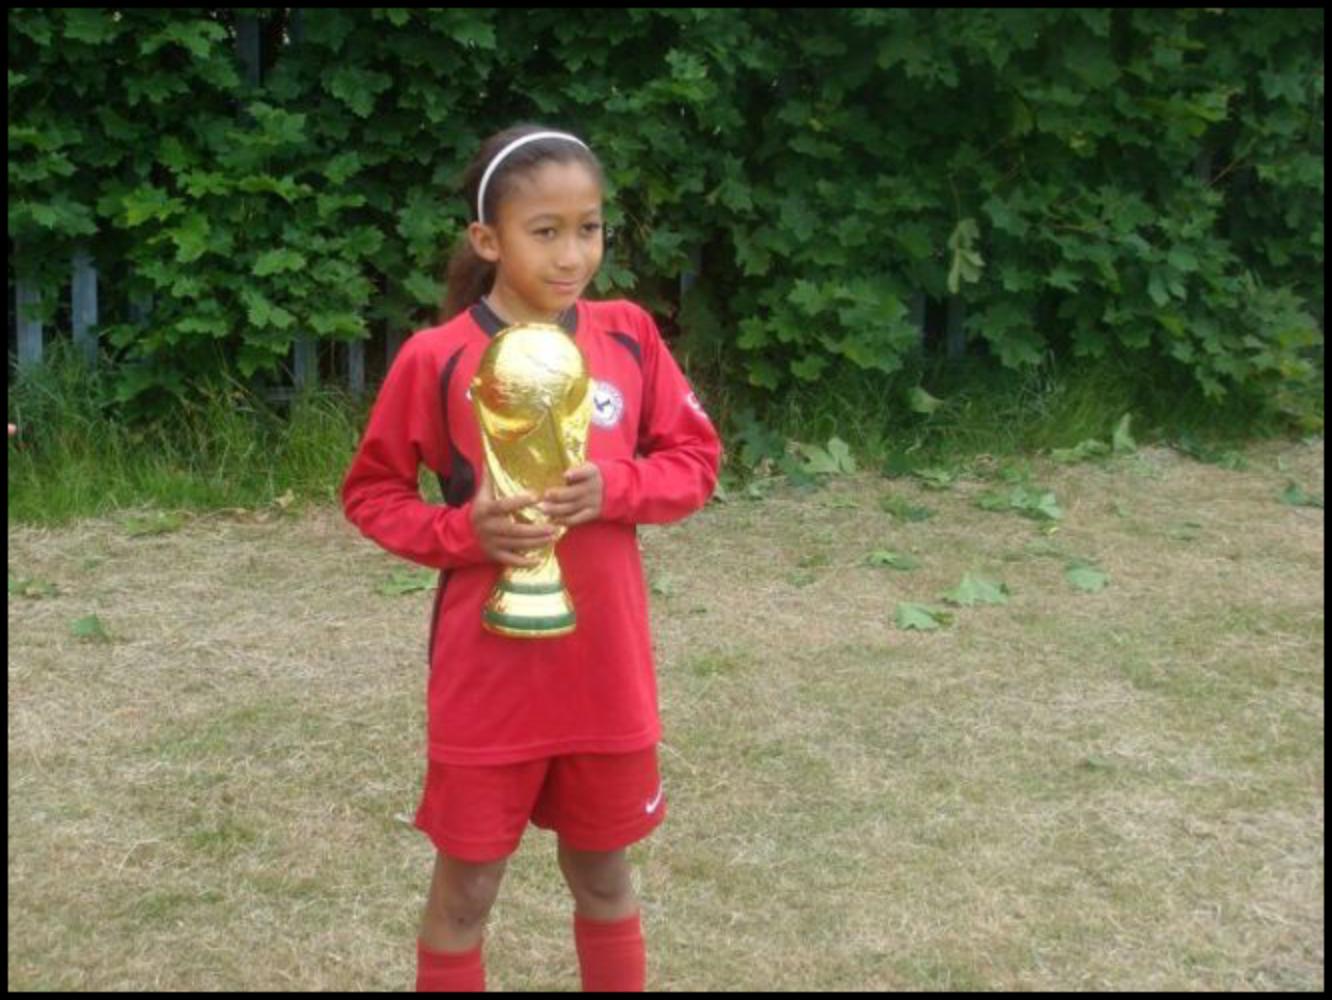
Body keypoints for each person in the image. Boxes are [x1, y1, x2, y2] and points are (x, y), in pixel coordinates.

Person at [341, 124, 722, 992]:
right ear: (488, 240)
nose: (572, 253)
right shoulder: (435, 358)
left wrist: (616, 489)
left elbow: (696, 461)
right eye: (543, 230)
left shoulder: (627, 334)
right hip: (490, 679)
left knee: (603, 878)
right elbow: (371, 493)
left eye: (588, 228)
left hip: (604, 672)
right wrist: (461, 536)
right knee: (468, 891)